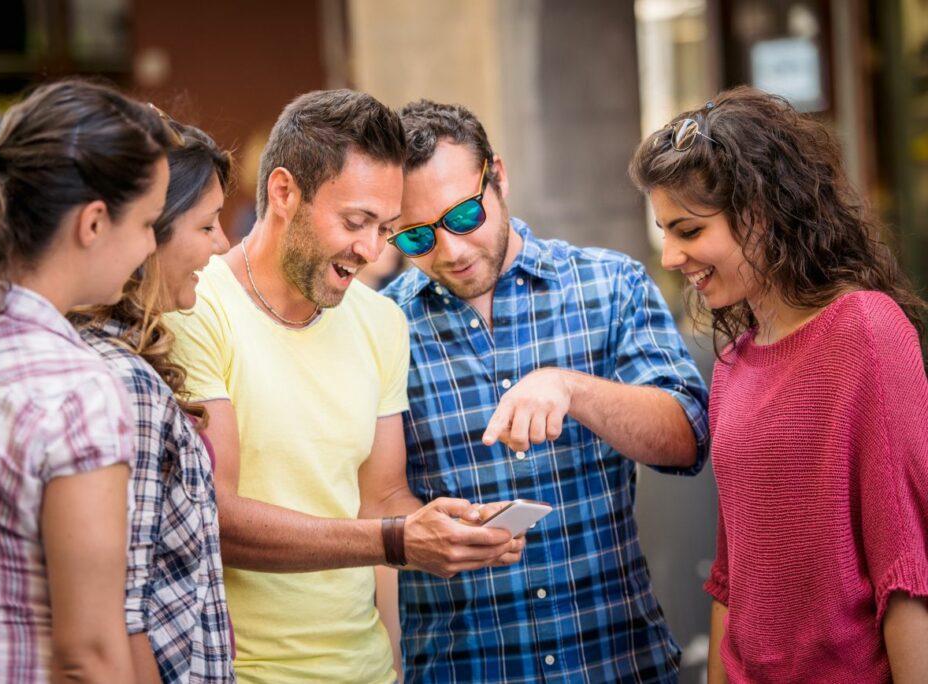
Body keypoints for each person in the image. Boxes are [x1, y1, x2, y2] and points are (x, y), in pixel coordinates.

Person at [166, 89, 524, 682]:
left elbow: (381, 501)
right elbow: (216, 517)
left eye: (386, 228)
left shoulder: (381, 322)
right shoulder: (198, 307)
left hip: (368, 668)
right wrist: (395, 540)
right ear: (284, 192)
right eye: (355, 222)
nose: (370, 250)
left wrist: (449, 529)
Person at [380, 99, 710, 682]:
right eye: (417, 238)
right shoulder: (379, 327)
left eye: (463, 216)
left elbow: (687, 438)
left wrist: (571, 388)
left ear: (499, 178)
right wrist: (424, 535)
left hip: (614, 661)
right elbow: (377, 500)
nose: (451, 251)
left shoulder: (610, 285)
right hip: (467, 669)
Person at [630, 86, 928, 683]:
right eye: (664, 231)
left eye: (689, 230)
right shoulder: (735, 362)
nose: (671, 256)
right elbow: (732, 577)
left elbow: (906, 567)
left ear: (760, 215)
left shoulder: (866, 331)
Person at [0, 79, 172, 682]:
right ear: (94, 222)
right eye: (149, 222)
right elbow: (89, 656)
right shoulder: (77, 391)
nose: (151, 246)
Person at [75, 116, 234, 682]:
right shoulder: (126, 384)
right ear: (148, 233)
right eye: (207, 225)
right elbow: (123, 614)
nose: (222, 243)